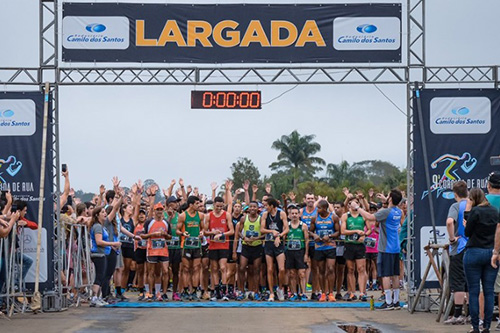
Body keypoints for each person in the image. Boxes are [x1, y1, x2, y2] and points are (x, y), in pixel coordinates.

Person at [356, 189, 403, 310]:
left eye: (388, 196)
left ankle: (388, 302)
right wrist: (385, 199)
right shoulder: (399, 211)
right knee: (395, 275)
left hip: (386, 247)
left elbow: (370, 217)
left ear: (391, 199)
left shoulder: (386, 212)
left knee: (386, 275)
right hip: (396, 247)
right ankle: (396, 301)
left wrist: (357, 207)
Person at [463, 188, 499, 333]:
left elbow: (467, 232)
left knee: (474, 291)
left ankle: (475, 325)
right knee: (489, 291)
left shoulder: (476, 212)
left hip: (474, 252)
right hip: (491, 252)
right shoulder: (494, 211)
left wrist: (467, 212)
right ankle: (487, 326)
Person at [443, 181, 468, 325]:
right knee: (471, 282)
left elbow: (449, 222)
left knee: (458, 282)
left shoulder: (456, 206)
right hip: (472, 247)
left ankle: (458, 314)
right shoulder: (473, 204)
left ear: (455, 194)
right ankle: (471, 314)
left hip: (459, 248)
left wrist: (452, 239)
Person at [89, 207, 121, 307]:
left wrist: (111, 245)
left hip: (103, 253)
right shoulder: (97, 227)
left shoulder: (101, 227)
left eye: (104, 212)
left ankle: (98, 297)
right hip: (98, 254)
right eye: (102, 212)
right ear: (97, 215)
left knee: (102, 276)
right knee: (99, 276)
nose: (105, 214)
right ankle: (94, 297)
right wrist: (113, 243)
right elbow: (99, 242)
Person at [204, 196, 234, 301]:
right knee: (214, 269)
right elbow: (204, 231)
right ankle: (216, 292)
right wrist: (212, 232)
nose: (219, 208)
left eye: (221, 206)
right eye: (217, 206)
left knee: (223, 268)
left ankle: (224, 291)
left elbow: (231, 231)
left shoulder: (227, 215)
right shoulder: (209, 216)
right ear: (214, 205)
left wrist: (221, 234)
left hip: (223, 245)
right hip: (213, 246)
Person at [141, 202, 171, 302]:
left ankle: (163, 293)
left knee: (165, 271)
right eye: (157, 210)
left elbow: (170, 237)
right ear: (154, 211)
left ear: (163, 211)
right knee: (151, 272)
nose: (159, 212)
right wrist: (152, 234)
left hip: (163, 250)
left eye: (161, 210)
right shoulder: (149, 222)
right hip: (152, 250)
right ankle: (150, 292)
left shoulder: (166, 222)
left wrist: (165, 235)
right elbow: (143, 235)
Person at [177, 196, 205, 301]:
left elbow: (203, 229)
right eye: (197, 204)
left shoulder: (201, 215)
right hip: (186, 245)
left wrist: (202, 233)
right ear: (191, 205)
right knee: (186, 268)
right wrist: (183, 233)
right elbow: (177, 231)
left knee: (197, 268)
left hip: (197, 245)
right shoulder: (183, 216)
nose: (199, 206)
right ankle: (184, 291)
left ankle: (193, 291)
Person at [341, 196, 369, 302]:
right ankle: (352, 292)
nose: (353, 204)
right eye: (351, 203)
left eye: (356, 202)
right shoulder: (345, 216)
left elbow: (369, 229)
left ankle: (362, 292)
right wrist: (356, 231)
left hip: (359, 245)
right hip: (349, 244)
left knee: (361, 269)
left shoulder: (363, 215)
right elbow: (343, 231)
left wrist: (364, 235)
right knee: (351, 269)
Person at [260, 197, 288, 301]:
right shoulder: (264, 215)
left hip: (279, 244)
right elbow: (262, 229)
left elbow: (287, 228)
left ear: (272, 206)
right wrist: (272, 232)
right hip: (268, 243)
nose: (265, 207)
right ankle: (271, 292)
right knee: (270, 269)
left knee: (281, 269)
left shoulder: (281, 214)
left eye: (266, 205)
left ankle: (280, 288)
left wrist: (279, 236)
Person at [311, 199, 339, 302]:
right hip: (319, 247)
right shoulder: (314, 218)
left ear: (324, 208)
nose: (317, 209)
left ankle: (331, 293)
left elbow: (338, 232)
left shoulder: (333, 217)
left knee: (331, 268)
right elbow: (310, 231)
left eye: (319, 208)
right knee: (321, 270)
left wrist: (330, 236)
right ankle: (323, 293)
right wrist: (314, 235)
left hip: (330, 246)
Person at [235, 201, 263, 301]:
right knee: (242, 268)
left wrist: (256, 238)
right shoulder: (243, 218)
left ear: (257, 208)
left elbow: (265, 233)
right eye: (250, 206)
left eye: (254, 207)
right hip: (246, 246)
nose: (252, 208)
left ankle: (255, 292)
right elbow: (238, 231)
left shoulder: (261, 219)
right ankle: (241, 291)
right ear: (248, 208)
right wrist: (243, 237)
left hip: (257, 246)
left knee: (256, 269)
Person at [286, 205, 309, 301]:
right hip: (290, 251)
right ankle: (294, 293)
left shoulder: (303, 226)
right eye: (292, 213)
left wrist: (306, 254)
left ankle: (303, 293)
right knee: (292, 273)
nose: (294, 215)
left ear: (299, 214)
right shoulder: (287, 225)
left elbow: (307, 240)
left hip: (300, 251)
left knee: (301, 273)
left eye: (296, 213)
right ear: (289, 215)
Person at [165, 196, 182, 301]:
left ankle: (175, 292)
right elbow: (164, 228)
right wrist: (169, 218)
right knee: (165, 271)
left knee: (176, 271)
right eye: (174, 202)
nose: (176, 204)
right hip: (166, 247)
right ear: (169, 204)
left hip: (176, 246)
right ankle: (164, 292)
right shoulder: (163, 215)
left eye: (177, 202)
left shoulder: (180, 216)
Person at [300, 193, 317, 297]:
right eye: (308, 198)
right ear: (305, 200)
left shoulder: (317, 211)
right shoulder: (301, 211)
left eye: (312, 198)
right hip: (303, 243)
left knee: (315, 268)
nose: (310, 200)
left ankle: (315, 291)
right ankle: (303, 292)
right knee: (302, 268)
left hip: (315, 243)